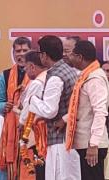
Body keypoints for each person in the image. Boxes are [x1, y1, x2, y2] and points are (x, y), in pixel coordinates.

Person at [28, 35, 81, 180]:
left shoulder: (55, 77)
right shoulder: (68, 69)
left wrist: (32, 100)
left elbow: (50, 111)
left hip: (60, 141)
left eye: (39, 53)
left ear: (44, 55)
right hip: (69, 138)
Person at [66, 40, 109, 180]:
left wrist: (93, 144)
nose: (69, 57)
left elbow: (100, 112)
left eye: (71, 54)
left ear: (80, 57)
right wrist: (63, 120)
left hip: (91, 145)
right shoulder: (85, 76)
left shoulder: (95, 78)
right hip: (85, 143)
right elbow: (80, 109)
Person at [0, 37, 31, 179]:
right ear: (13, 52)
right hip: (11, 128)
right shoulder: (5, 75)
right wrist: (5, 106)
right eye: (18, 51)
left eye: (25, 50)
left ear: (31, 51)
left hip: (30, 128)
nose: (21, 54)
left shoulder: (38, 74)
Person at [19, 50, 47, 180]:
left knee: (40, 170)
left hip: (38, 133)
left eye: (25, 67)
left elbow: (28, 108)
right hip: (45, 132)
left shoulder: (36, 83)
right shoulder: (49, 77)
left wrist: (20, 123)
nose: (25, 71)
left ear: (32, 66)